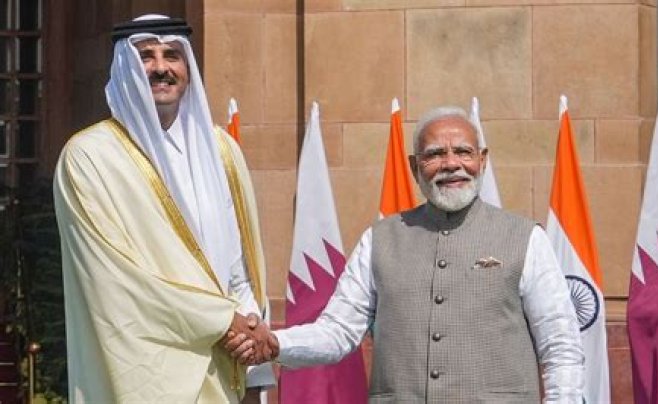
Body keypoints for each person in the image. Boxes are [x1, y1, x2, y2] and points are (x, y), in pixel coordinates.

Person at [230, 106, 585, 402]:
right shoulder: (380, 239)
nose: (451, 164)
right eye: (435, 154)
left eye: (463, 152)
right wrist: (275, 343)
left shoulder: (526, 238)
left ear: (482, 160)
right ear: (415, 167)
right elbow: (338, 331)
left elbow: (561, 348)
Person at [54, 14, 275, 403]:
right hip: (144, 373)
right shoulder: (89, 158)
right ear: (125, 67)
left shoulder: (221, 152)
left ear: (187, 68)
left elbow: (237, 271)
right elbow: (114, 279)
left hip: (224, 366)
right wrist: (223, 323)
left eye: (172, 55)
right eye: (146, 56)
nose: (160, 68)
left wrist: (252, 351)